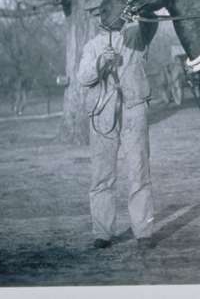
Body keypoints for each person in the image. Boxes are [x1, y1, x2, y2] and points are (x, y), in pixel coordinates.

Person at [76, 20, 158, 250]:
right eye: (100, 14)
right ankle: (103, 232)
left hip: (134, 109)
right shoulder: (91, 46)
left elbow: (150, 22)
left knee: (139, 172)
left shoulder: (137, 37)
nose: (106, 19)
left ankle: (143, 231)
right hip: (102, 113)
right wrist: (101, 61)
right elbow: (83, 77)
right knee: (102, 175)